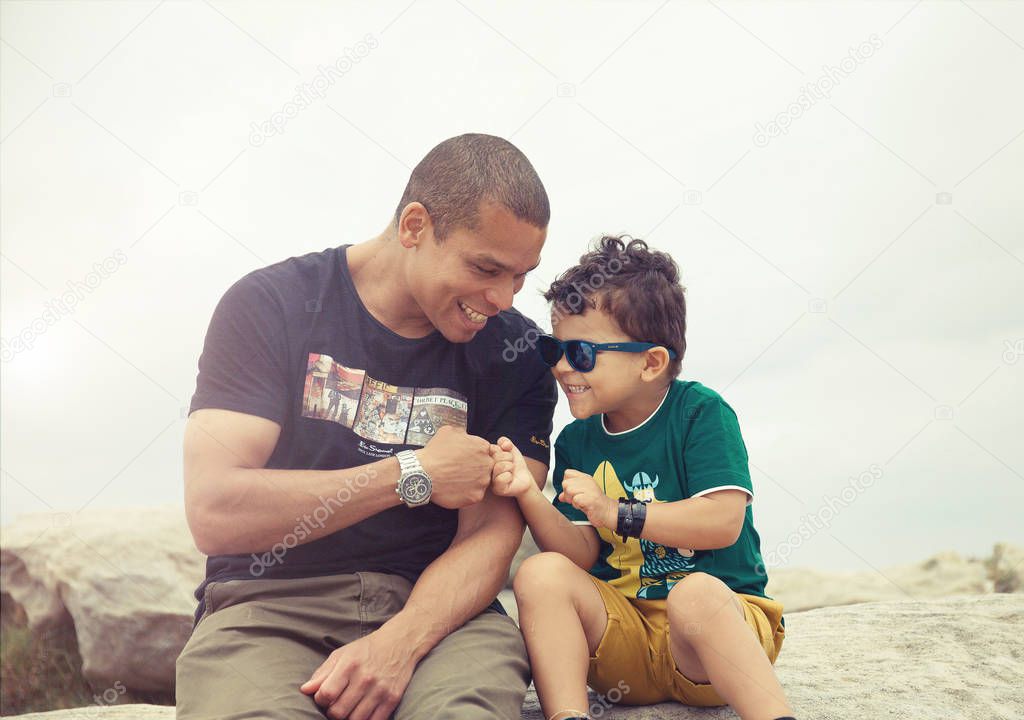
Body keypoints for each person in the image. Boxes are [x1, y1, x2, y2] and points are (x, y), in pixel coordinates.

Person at [176, 134, 557, 720]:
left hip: (442, 620)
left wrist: (400, 644)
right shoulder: (269, 305)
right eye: (486, 268)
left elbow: (491, 536)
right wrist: (412, 473)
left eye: (520, 276)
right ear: (414, 226)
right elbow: (217, 511)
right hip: (265, 608)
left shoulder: (518, 353)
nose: (503, 298)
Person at [490, 236, 797, 720]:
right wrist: (530, 495)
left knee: (694, 594)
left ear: (651, 362)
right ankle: (567, 714)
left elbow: (722, 522)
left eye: (584, 354)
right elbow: (580, 552)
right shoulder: (577, 441)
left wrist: (615, 511)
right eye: (554, 348)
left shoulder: (699, 413)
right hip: (627, 646)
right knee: (539, 573)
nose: (563, 367)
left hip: (708, 646)